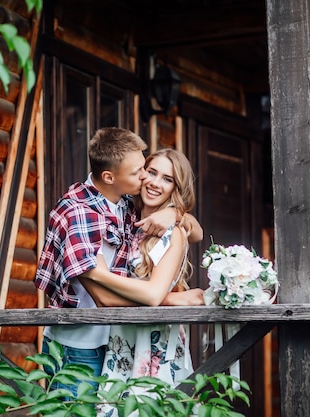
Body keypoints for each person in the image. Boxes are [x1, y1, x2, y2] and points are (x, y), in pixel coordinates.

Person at [34, 127, 203, 398]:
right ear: (110, 176)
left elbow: (196, 231)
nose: (147, 178)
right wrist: (170, 299)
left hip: (119, 345)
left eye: (161, 176)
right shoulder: (80, 214)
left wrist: (175, 213)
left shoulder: (124, 207)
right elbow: (103, 299)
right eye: (142, 171)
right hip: (80, 348)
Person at [80, 149, 198, 416]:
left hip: (156, 343)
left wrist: (177, 215)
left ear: (175, 189)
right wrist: (174, 298)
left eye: (167, 179)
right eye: (152, 172)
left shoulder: (173, 232)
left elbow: (155, 295)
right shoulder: (127, 218)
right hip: (122, 338)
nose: (156, 183)